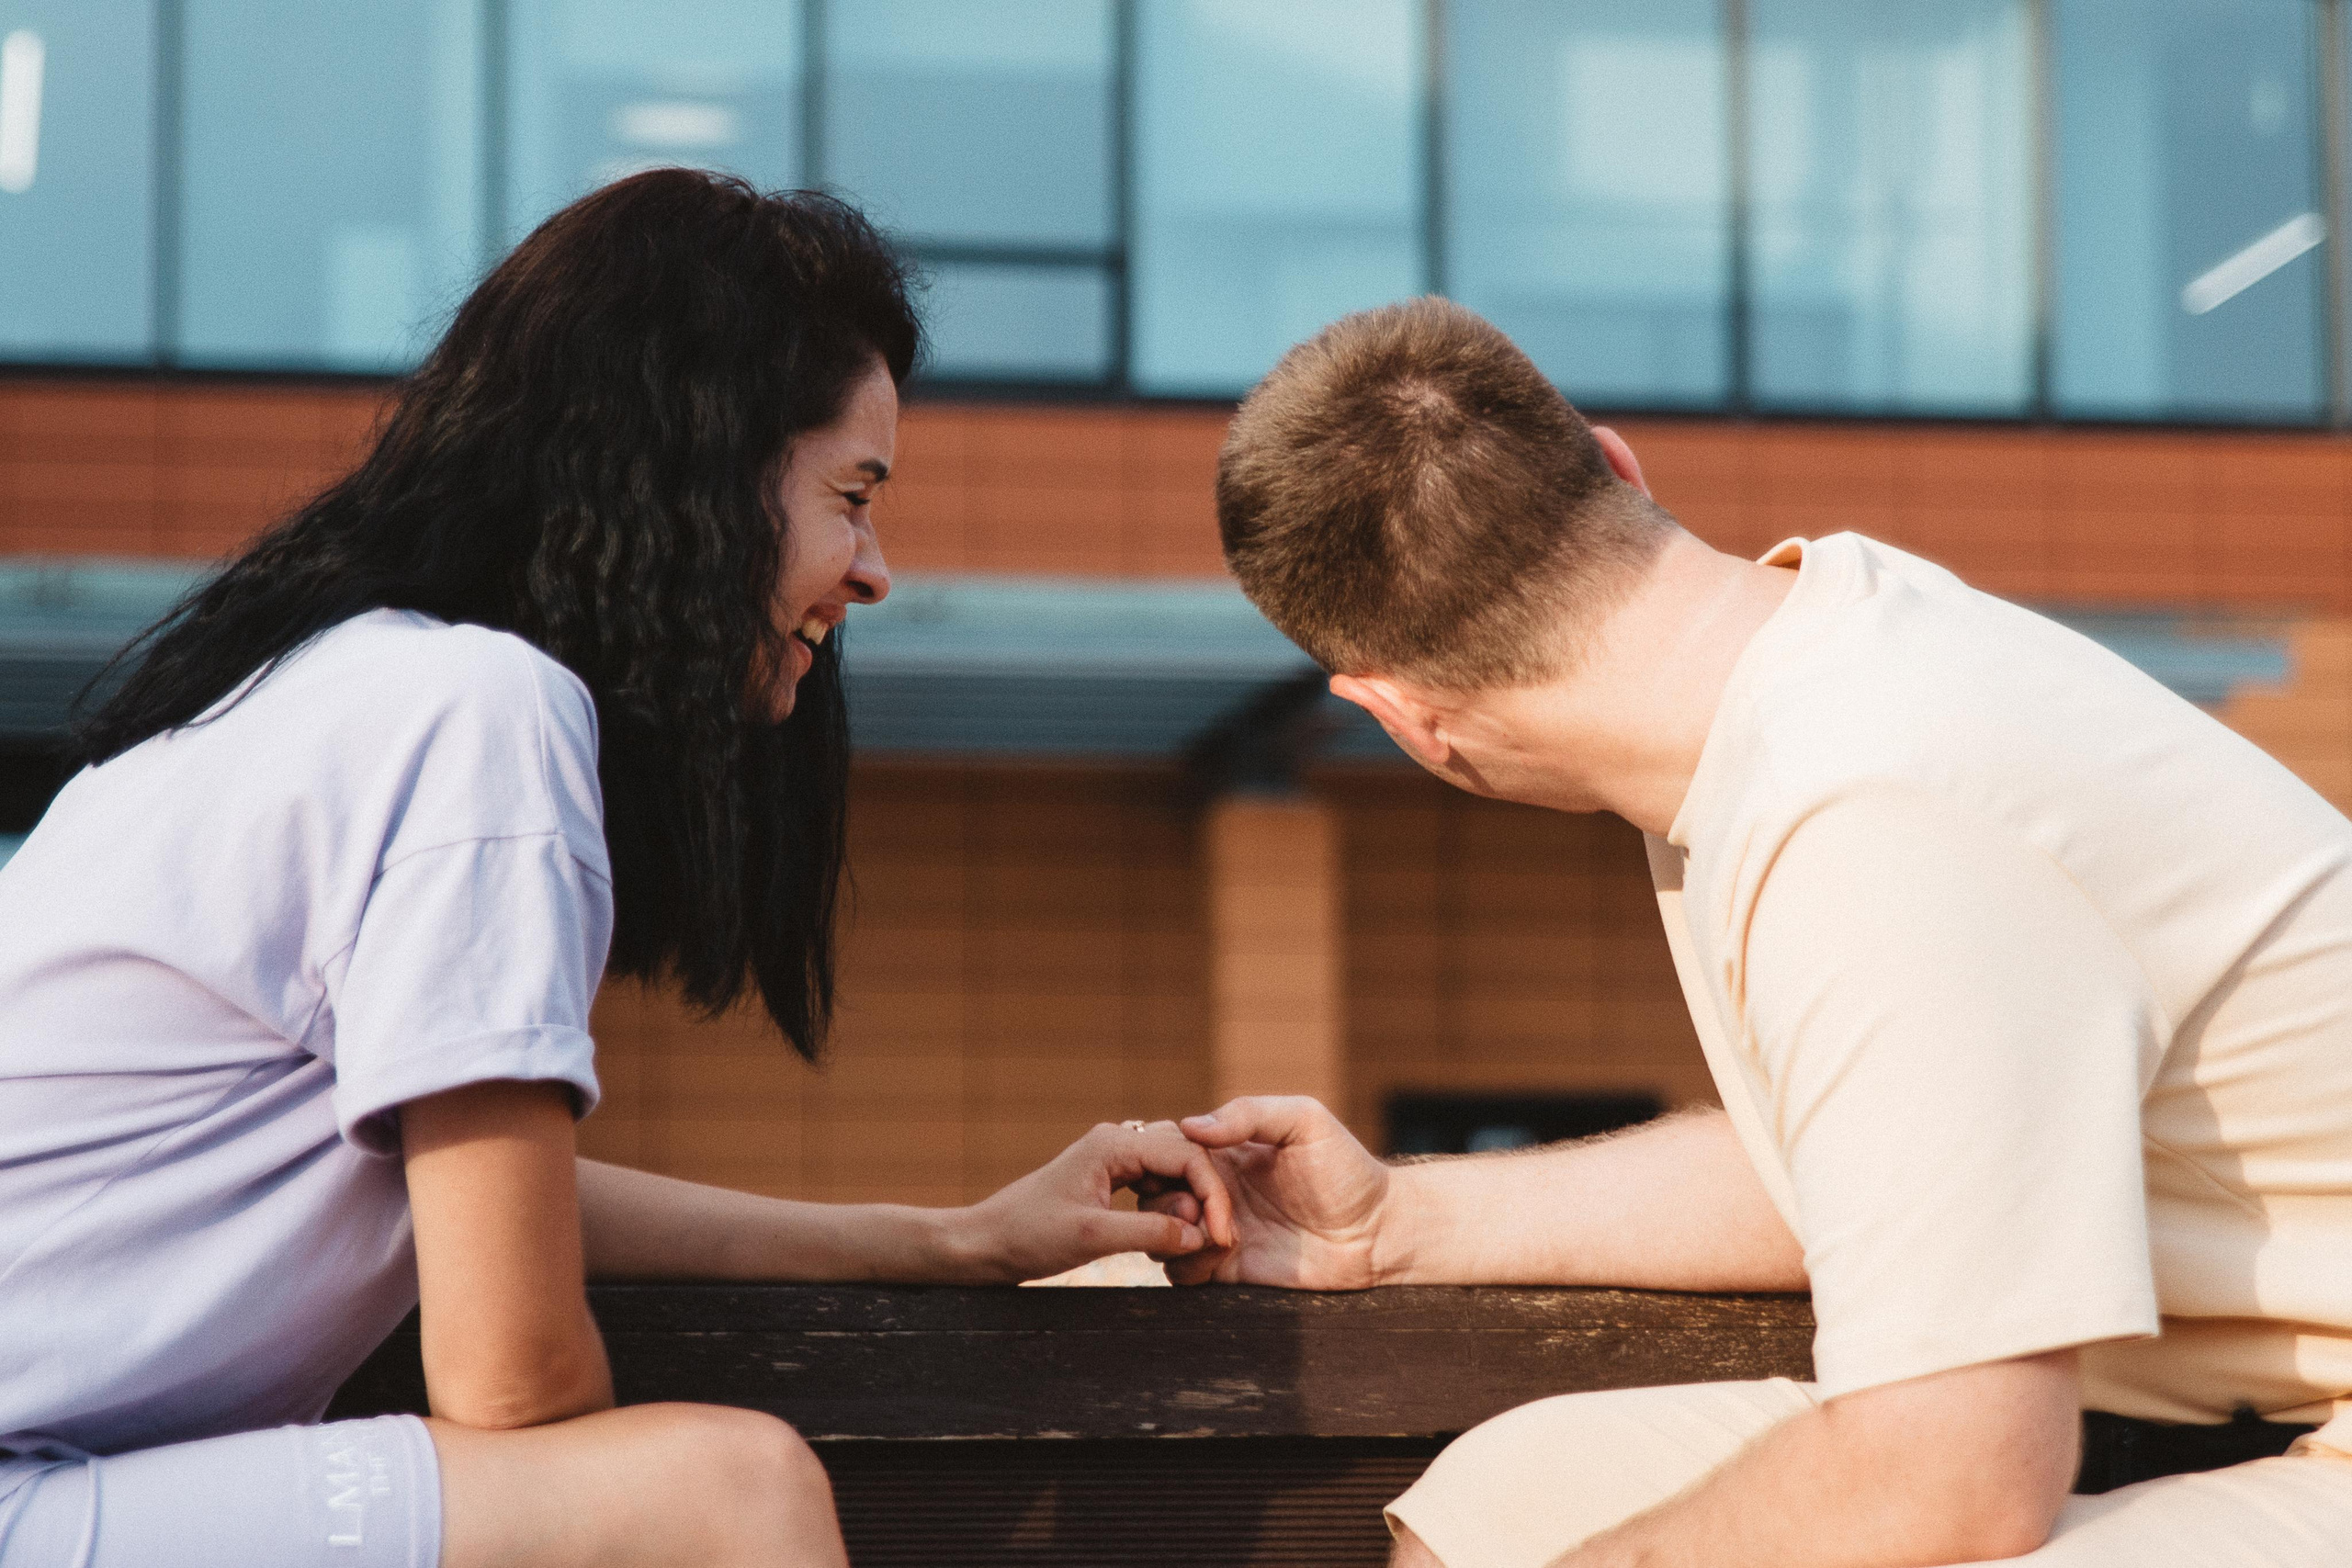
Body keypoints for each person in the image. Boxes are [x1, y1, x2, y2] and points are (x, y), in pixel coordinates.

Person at [0, 169, 1230, 1568]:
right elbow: (510, 1376)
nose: (874, 569)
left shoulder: (318, 694)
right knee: (724, 1497)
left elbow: (469, 1203)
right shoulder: (479, 712)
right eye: (853, 494)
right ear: (696, 467)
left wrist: (956, 1241)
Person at [1145, 297, 2352, 1566]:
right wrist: (1395, 1220)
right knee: (1511, 1503)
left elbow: (1950, 1473)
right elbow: (1883, 1162)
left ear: (1400, 716)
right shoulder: (1831, 651)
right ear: (1617, 464)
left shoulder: (1866, 811)